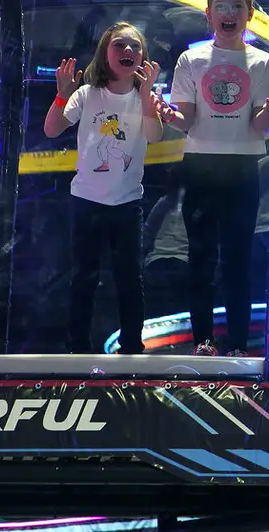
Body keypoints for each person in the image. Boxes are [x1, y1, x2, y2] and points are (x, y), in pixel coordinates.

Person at [160, 0, 269, 357]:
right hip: (200, 165)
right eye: (221, 7)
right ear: (208, 14)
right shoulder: (191, 60)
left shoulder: (263, 61)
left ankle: (240, 346)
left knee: (238, 260)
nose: (229, 13)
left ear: (250, 14)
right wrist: (165, 113)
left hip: (243, 167)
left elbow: (258, 126)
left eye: (237, 6)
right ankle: (203, 342)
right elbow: (187, 119)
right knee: (201, 257)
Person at [43, 22, 165, 356]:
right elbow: (52, 130)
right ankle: (77, 350)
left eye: (134, 46)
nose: (127, 51)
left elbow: (155, 137)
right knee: (83, 278)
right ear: (105, 53)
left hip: (127, 203)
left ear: (143, 56)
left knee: (129, 280)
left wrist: (145, 97)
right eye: (119, 45)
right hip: (86, 200)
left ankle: (131, 349)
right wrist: (63, 93)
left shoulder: (147, 97)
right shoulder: (88, 93)